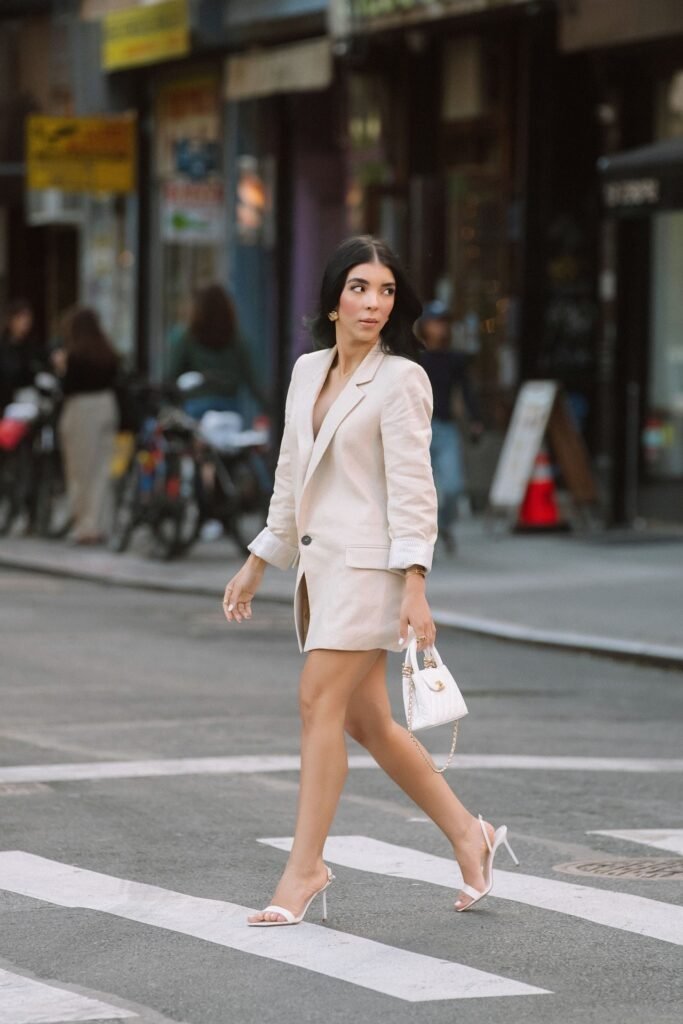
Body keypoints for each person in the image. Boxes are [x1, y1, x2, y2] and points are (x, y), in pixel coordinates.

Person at [223, 236, 515, 926]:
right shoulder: (306, 372)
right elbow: (293, 476)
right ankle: (469, 836)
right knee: (366, 720)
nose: (373, 303)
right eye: (359, 287)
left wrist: (414, 583)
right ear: (332, 299)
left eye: (385, 291)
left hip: (370, 572)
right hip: (322, 572)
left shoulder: (401, 379)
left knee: (316, 703)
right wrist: (259, 555)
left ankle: (304, 869)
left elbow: (415, 491)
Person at [419, 300, 484, 553]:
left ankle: (444, 525)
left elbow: (466, 391)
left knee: (454, 486)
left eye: (444, 323)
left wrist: (476, 420)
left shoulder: (454, 359)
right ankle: (420, 537)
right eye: (435, 322)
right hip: (417, 429)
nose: (440, 328)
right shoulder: (415, 357)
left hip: (446, 428)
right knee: (420, 489)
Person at [52, 307, 119, 545]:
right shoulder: (108, 352)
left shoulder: (75, 355)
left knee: (80, 470)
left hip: (81, 409)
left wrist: (62, 368)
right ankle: (100, 524)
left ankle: (85, 527)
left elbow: (67, 387)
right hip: (107, 407)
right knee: (102, 469)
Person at [167, 283, 267, 419]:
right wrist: (272, 410)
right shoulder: (237, 340)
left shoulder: (185, 337)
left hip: (195, 409)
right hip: (229, 410)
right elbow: (255, 382)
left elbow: (170, 377)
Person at [0, 299, 40, 412]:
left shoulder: (31, 346)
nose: (25, 323)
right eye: (20, 318)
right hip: (6, 402)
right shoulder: (4, 346)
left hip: (27, 402)